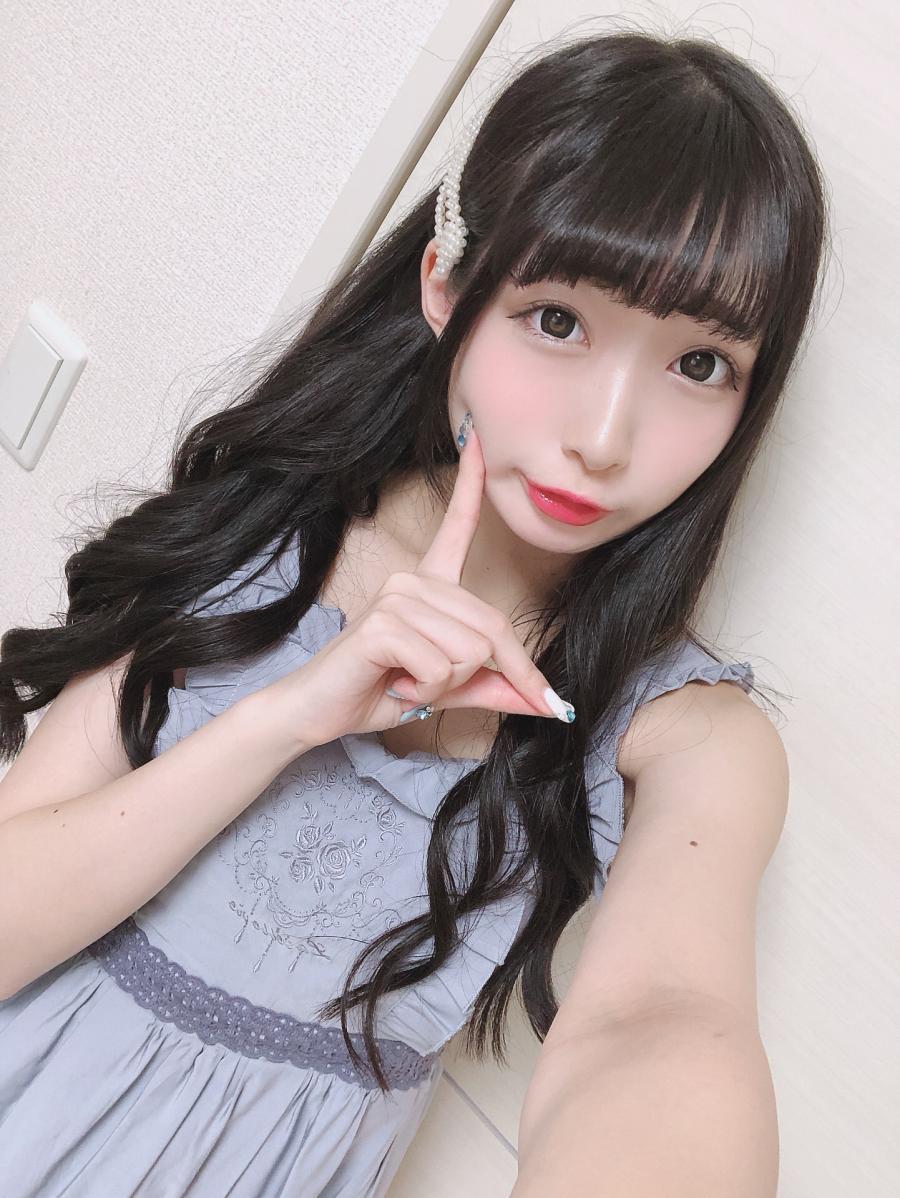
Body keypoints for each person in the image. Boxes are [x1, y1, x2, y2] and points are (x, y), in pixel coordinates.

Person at [0, 26, 828, 1198]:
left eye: (700, 365)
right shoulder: (262, 536)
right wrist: (290, 717)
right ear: (446, 284)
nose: (605, 437)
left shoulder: (687, 736)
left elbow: (660, 1023)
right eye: (558, 319)